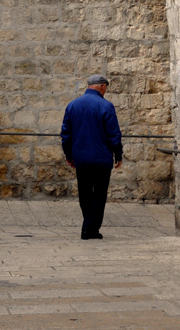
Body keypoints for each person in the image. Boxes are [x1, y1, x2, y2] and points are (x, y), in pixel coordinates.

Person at [60, 74, 123, 240]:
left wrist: (69, 154)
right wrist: (118, 154)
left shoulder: (72, 106)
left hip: (81, 158)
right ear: (102, 86)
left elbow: (66, 134)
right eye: (106, 88)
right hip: (101, 158)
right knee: (99, 194)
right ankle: (89, 229)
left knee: (85, 193)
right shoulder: (106, 106)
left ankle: (89, 227)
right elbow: (114, 134)